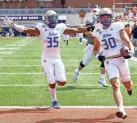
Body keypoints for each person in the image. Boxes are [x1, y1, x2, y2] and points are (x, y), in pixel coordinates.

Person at [3, 10, 92, 108]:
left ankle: (54, 78)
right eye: (51, 19)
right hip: (46, 58)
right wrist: (13, 25)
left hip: (57, 58)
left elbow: (76, 30)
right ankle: (54, 101)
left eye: (54, 18)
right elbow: (26, 29)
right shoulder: (42, 27)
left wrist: (89, 27)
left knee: (62, 82)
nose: (53, 21)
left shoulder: (60, 27)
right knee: (51, 81)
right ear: (46, 20)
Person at [93, 8, 134, 119]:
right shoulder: (97, 30)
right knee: (115, 85)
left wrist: (131, 51)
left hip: (121, 59)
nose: (105, 18)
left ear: (111, 17)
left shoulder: (117, 26)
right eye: (103, 16)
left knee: (127, 84)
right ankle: (121, 109)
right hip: (108, 60)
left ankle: (129, 89)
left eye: (107, 16)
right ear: (99, 18)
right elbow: (95, 49)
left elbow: (127, 40)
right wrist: (98, 56)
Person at [73, 9, 108, 87]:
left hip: (102, 45)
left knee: (104, 60)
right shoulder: (91, 22)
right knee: (85, 62)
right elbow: (86, 32)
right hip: (91, 44)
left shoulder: (106, 22)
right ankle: (77, 71)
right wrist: (95, 34)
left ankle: (102, 78)